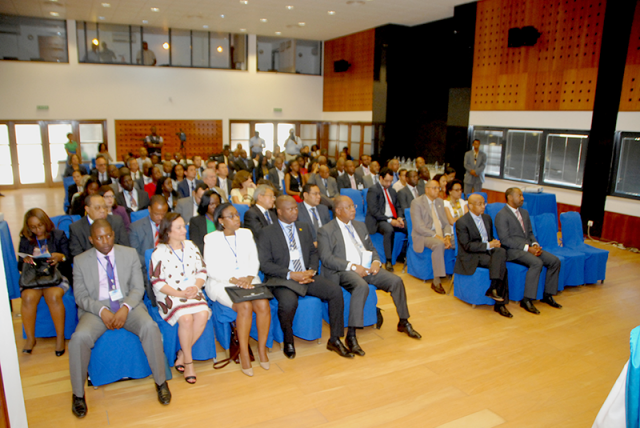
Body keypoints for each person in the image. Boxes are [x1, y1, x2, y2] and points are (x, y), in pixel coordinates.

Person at [69, 220, 170, 418]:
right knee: (78, 339)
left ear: (114, 235)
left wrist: (125, 308)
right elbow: (80, 296)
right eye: (99, 237)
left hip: (128, 305)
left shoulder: (129, 253)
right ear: (91, 239)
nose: (105, 241)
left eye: (108, 235)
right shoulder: (81, 261)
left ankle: (161, 382)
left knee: (150, 327)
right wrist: (102, 311)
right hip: (96, 310)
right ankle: (78, 395)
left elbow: (138, 288)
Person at [317, 196, 421, 355]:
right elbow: (326, 258)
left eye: (354, 206)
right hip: (344, 271)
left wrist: (376, 262)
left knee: (396, 281)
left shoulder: (360, 225)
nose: (353, 209)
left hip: (367, 268)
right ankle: (351, 336)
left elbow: (371, 249)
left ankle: (403, 321)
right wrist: (353, 266)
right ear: (338, 211)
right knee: (361, 286)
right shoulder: (326, 230)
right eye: (349, 207)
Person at [258, 196, 353, 359]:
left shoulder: (303, 227)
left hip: (306, 275)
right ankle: (288, 341)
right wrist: (291, 274)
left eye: (296, 208)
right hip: (283, 279)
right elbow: (265, 264)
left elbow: (312, 252)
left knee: (335, 292)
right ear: (279, 211)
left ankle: (335, 339)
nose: (295, 211)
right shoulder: (267, 233)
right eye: (290, 209)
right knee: (288, 303)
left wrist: (311, 270)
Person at [203, 203, 271, 376]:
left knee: (263, 304)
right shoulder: (211, 239)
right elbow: (210, 269)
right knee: (245, 306)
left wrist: (248, 277)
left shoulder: (246, 234)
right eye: (231, 216)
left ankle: (262, 350)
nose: (236, 219)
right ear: (221, 221)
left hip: (248, 279)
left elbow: (254, 260)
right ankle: (243, 351)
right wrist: (234, 279)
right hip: (223, 282)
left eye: (236, 215)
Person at [150, 212, 211, 384]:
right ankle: (189, 364)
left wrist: (196, 287)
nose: (184, 230)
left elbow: (202, 270)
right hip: (170, 294)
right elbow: (157, 282)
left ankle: (183, 354)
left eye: (184, 226)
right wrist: (179, 294)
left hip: (192, 289)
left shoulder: (191, 246)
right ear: (168, 232)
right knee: (185, 318)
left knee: (202, 314)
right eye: (179, 227)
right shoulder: (159, 252)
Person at [495, 187, 562, 314]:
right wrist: (527, 248)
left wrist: (535, 244)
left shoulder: (524, 213)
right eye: (519, 195)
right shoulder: (501, 215)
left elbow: (530, 233)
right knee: (537, 263)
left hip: (528, 248)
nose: (522, 198)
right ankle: (526, 299)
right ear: (509, 197)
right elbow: (505, 240)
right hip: (512, 251)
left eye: (522, 196)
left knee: (554, 261)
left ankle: (547, 295)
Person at [18, 209, 71, 356]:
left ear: (46, 223)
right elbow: (19, 265)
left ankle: (60, 337)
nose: (37, 230)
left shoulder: (58, 235)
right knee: (28, 298)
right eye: (33, 227)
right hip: (33, 280)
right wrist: (25, 261)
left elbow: (70, 259)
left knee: (53, 296)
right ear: (28, 227)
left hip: (55, 277)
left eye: (40, 225)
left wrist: (61, 257)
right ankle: (30, 338)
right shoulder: (25, 239)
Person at [455, 195, 511, 318]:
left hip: (487, 251)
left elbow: (489, 238)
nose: (483, 206)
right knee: (503, 268)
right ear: (470, 206)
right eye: (479, 204)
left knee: (501, 251)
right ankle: (500, 304)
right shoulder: (462, 222)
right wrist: (488, 245)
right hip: (472, 255)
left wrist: (493, 243)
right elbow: (467, 246)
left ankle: (493, 288)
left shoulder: (487, 218)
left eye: (484, 203)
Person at [409, 179, 453, 295]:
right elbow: (419, 227)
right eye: (434, 188)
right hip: (423, 235)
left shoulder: (439, 202)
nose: (437, 190)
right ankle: (436, 280)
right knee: (438, 244)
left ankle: (458, 274)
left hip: (440, 234)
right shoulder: (417, 202)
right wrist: (437, 236)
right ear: (427, 189)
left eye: (438, 188)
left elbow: (446, 224)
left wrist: (447, 236)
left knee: (460, 240)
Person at [365, 167, 406, 272]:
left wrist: (400, 218)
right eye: (386, 181)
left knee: (407, 227)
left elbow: (398, 206)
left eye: (391, 181)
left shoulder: (392, 190)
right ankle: (388, 260)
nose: (389, 184)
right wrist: (390, 220)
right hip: (378, 220)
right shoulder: (373, 190)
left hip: (392, 218)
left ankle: (403, 255)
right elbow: (374, 211)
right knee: (389, 229)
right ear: (381, 178)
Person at [129, 196, 169, 304]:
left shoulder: (170, 226)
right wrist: (154, 263)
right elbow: (135, 255)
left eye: (163, 214)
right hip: (146, 268)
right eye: (156, 214)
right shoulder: (135, 228)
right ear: (149, 210)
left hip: (169, 266)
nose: (160, 217)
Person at [69, 194, 130, 258]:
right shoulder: (76, 228)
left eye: (104, 207)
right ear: (87, 209)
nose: (103, 211)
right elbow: (77, 256)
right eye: (97, 208)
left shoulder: (117, 221)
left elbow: (125, 248)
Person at [189, 190, 221, 255]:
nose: (215, 206)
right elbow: (196, 245)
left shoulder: (224, 219)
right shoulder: (195, 221)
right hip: (207, 254)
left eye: (217, 203)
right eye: (211, 204)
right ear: (205, 204)